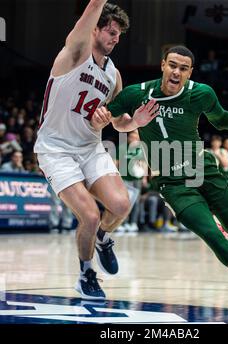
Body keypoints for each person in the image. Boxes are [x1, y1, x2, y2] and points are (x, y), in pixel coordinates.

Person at [100, 45, 228, 312]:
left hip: (203, 169)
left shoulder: (200, 93)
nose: (176, 72)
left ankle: (219, 220)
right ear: (163, 65)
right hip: (173, 184)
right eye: (172, 65)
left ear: (190, 72)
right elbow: (114, 121)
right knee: (213, 236)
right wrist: (134, 124)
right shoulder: (136, 94)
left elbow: (220, 120)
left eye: (183, 68)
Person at [34, 0, 130, 300]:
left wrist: (133, 122)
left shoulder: (113, 75)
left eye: (118, 34)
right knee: (88, 215)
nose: (115, 38)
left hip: (89, 147)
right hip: (56, 149)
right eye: (111, 31)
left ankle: (103, 237)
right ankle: (86, 274)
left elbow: (119, 121)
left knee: (122, 206)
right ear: (95, 30)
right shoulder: (75, 51)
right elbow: (94, 6)